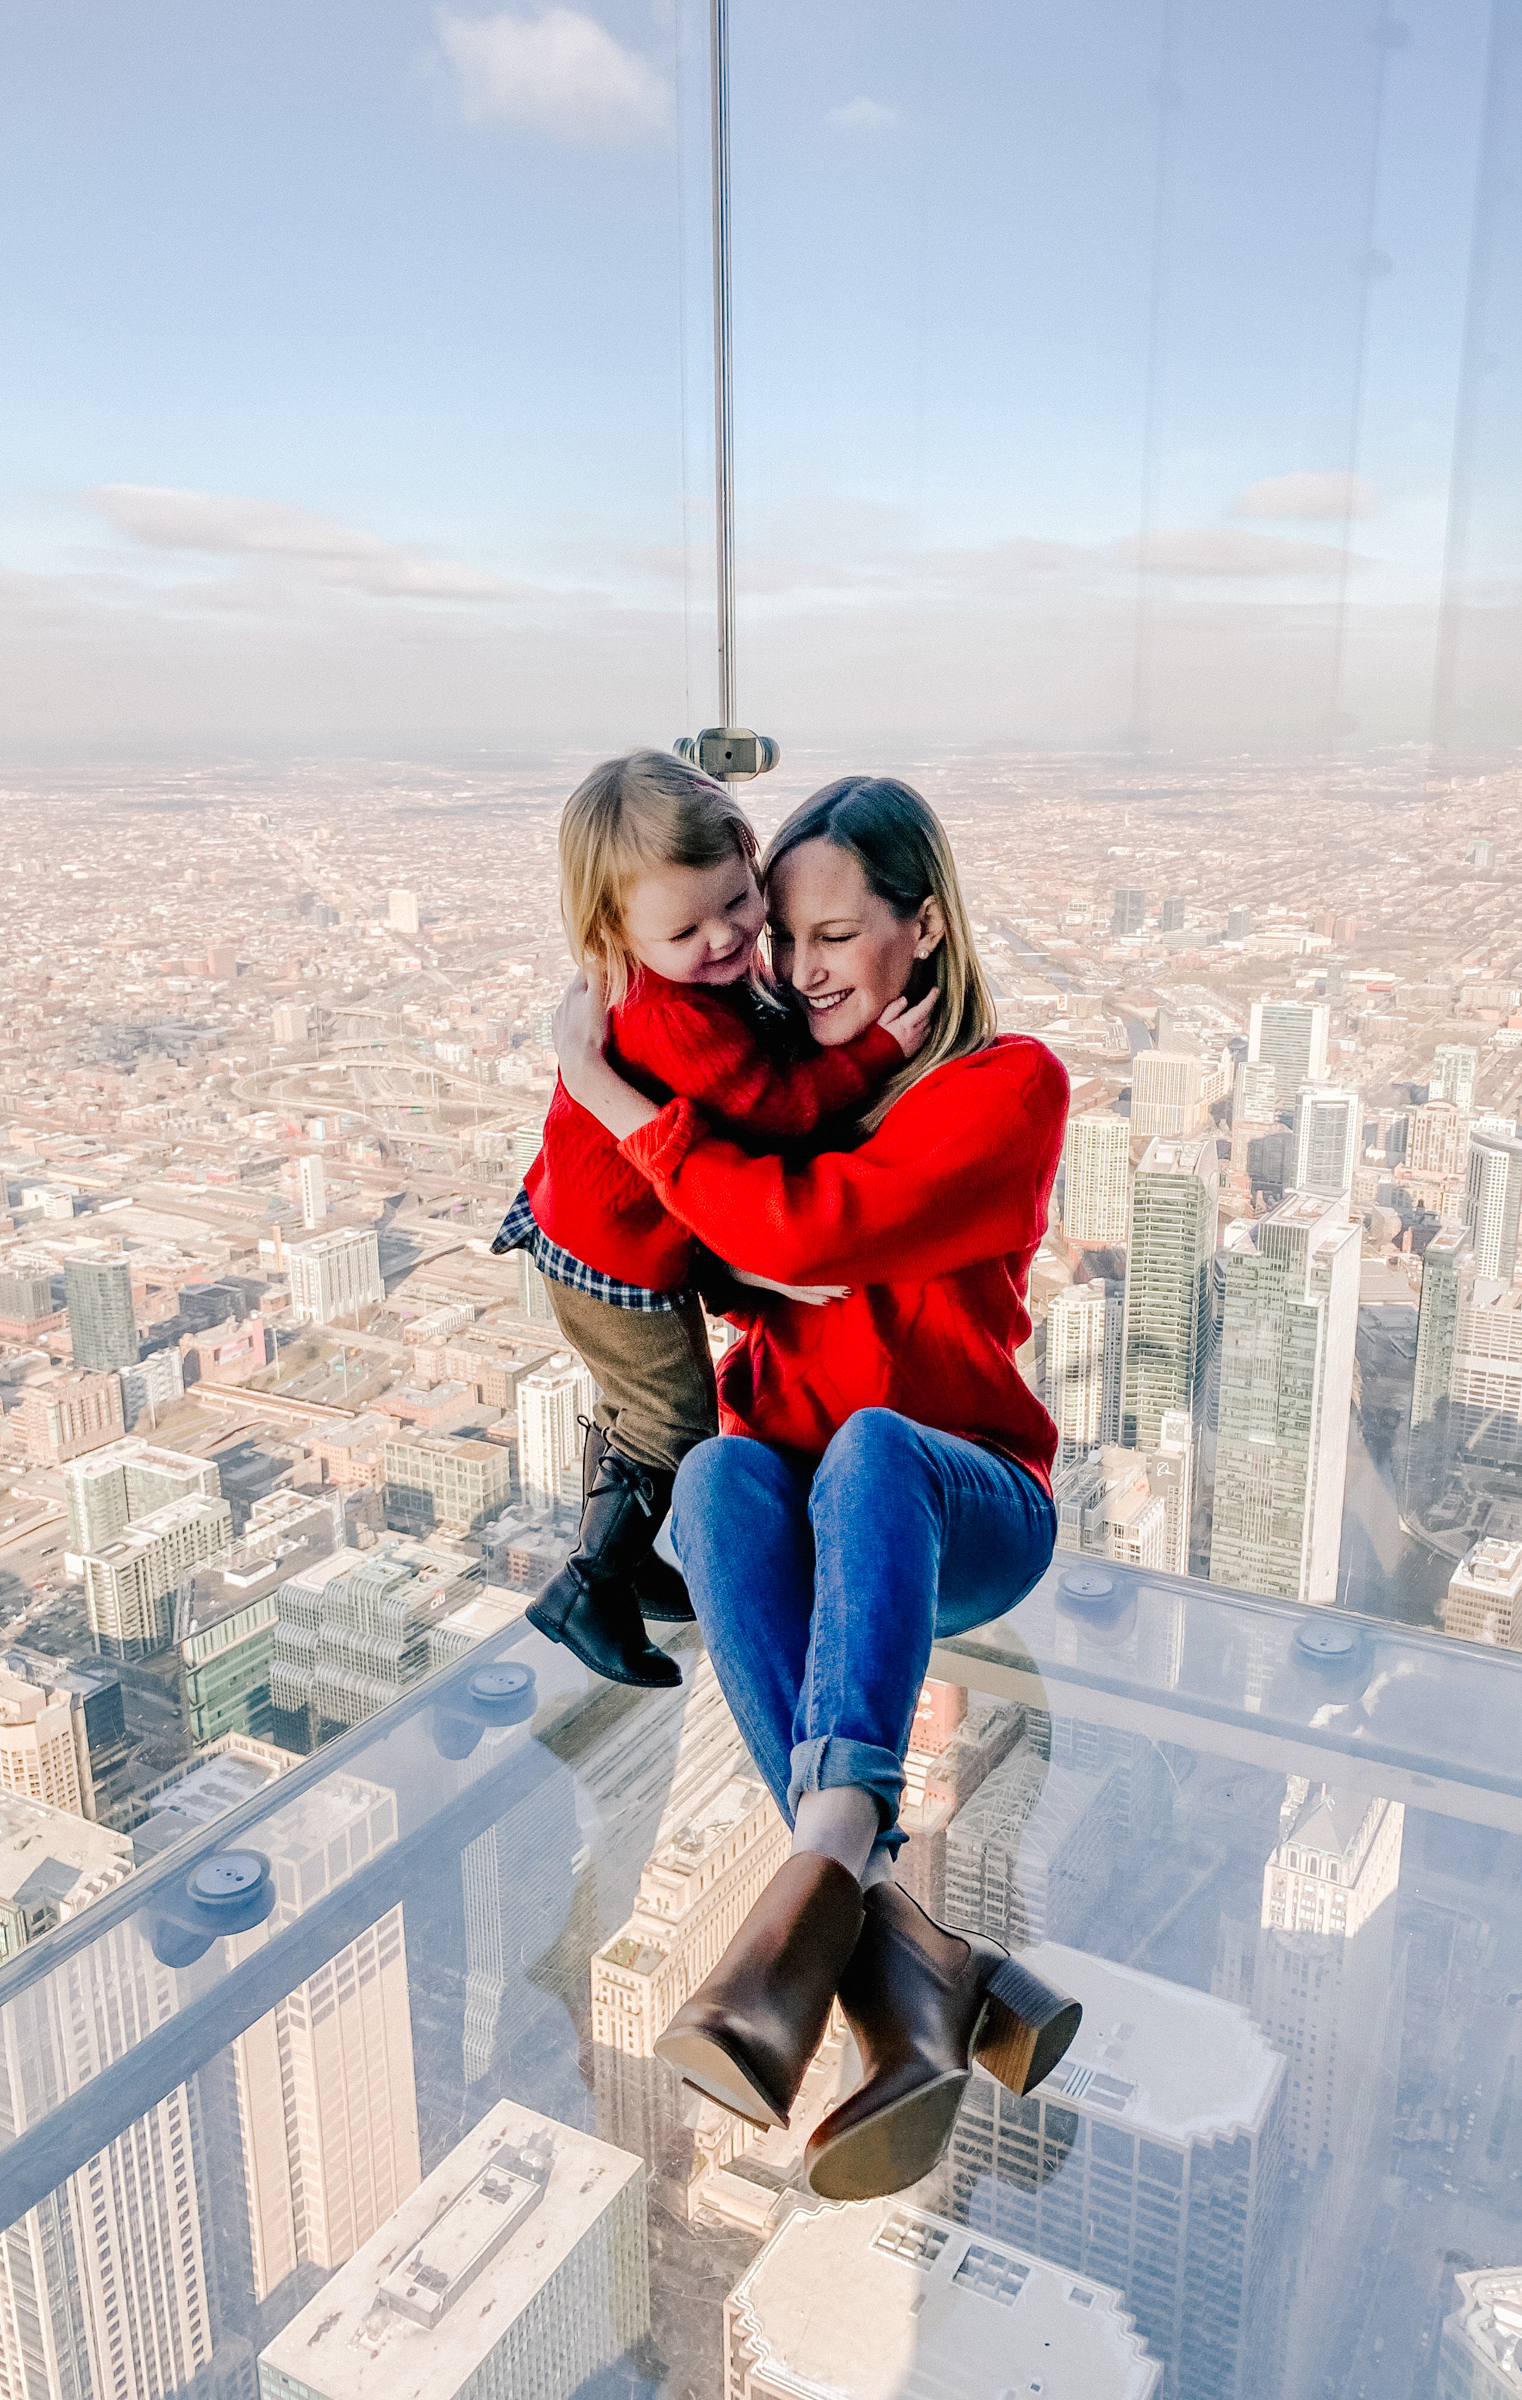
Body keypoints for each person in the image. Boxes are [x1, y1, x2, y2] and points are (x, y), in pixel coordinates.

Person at [551, 772, 1082, 2205]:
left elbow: (809, 1234)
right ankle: (910, 1963)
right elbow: (701, 1245)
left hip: (962, 1502)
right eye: (781, 938)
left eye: (836, 935)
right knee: (722, 1471)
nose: (796, 970)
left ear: (926, 927)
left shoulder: (1005, 1085)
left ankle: (833, 1852)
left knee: (868, 1450)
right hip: (811, 1498)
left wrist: (602, 1090)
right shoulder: (780, 1084)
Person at [494, 749, 934, 1691]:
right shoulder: (671, 1015)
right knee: (680, 1420)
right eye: (686, 929)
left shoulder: (679, 981)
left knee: (631, 1408)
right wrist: (867, 1060)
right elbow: (771, 1106)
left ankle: (623, 1559)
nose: (728, 939)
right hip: (620, 1255)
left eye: (739, 903)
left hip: (584, 1236)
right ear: (617, 934)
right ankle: (591, 1587)